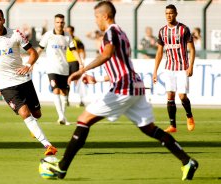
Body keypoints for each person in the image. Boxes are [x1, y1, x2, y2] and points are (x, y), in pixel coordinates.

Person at [43, 1, 198, 181]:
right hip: (135, 86)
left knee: (83, 120)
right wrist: (98, 78)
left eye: (96, 17)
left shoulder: (111, 32)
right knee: (150, 129)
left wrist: (82, 70)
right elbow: (119, 65)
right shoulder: (121, 33)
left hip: (124, 88)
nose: (96, 21)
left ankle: (62, 168)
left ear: (105, 16)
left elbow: (106, 55)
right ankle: (187, 161)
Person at [0, 8, 57, 156]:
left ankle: (34, 129)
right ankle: (48, 145)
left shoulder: (15, 34)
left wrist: (28, 65)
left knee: (36, 114)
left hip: (23, 80)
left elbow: (33, 53)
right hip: (5, 85)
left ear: (3, 20)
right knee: (24, 113)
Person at [153, 4, 196, 133]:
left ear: (176, 14)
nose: (169, 16)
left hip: (182, 67)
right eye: (166, 13)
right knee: (170, 95)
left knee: (182, 96)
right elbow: (159, 52)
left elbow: (192, 49)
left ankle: (189, 116)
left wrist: (191, 66)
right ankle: (173, 126)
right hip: (169, 68)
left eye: (171, 13)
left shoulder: (184, 29)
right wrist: (155, 71)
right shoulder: (162, 31)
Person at [37, 14, 83, 125]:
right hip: (52, 68)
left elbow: (73, 50)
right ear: (54, 23)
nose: (59, 24)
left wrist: (81, 62)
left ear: (64, 23)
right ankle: (61, 116)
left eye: (61, 22)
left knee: (64, 93)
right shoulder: (48, 35)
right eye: (57, 22)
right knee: (56, 90)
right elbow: (40, 49)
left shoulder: (67, 36)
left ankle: (63, 117)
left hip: (64, 68)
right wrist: (31, 62)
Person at [65, 25, 86, 107]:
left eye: (69, 31)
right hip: (65, 62)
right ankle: (66, 99)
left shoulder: (76, 40)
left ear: (72, 31)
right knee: (67, 81)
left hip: (74, 62)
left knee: (77, 81)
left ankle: (81, 100)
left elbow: (82, 50)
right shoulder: (63, 39)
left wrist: (82, 61)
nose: (67, 32)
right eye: (66, 31)